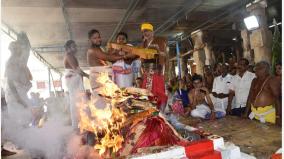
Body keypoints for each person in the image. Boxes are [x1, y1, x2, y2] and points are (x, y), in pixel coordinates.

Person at [4, 33, 33, 127]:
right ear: (13, 50)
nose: (20, 50)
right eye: (17, 48)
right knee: (18, 122)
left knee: (25, 119)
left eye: (20, 47)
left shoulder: (19, 61)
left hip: (19, 94)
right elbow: (10, 82)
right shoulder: (11, 62)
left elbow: (27, 49)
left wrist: (23, 37)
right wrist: (18, 98)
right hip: (14, 96)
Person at [244, 61, 281, 125]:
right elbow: (250, 97)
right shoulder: (254, 80)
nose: (255, 70)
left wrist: (278, 117)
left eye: (257, 68)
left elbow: (278, 100)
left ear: (264, 69)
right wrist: (245, 113)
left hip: (268, 116)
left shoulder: (272, 80)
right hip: (254, 115)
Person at [63, 40, 89, 130]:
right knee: (76, 102)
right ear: (68, 48)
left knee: (78, 101)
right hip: (72, 79)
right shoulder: (69, 56)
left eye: (75, 46)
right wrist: (87, 76)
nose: (75, 48)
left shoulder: (71, 56)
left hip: (73, 79)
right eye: (73, 46)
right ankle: (76, 126)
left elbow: (77, 70)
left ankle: (80, 124)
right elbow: (77, 70)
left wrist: (85, 76)